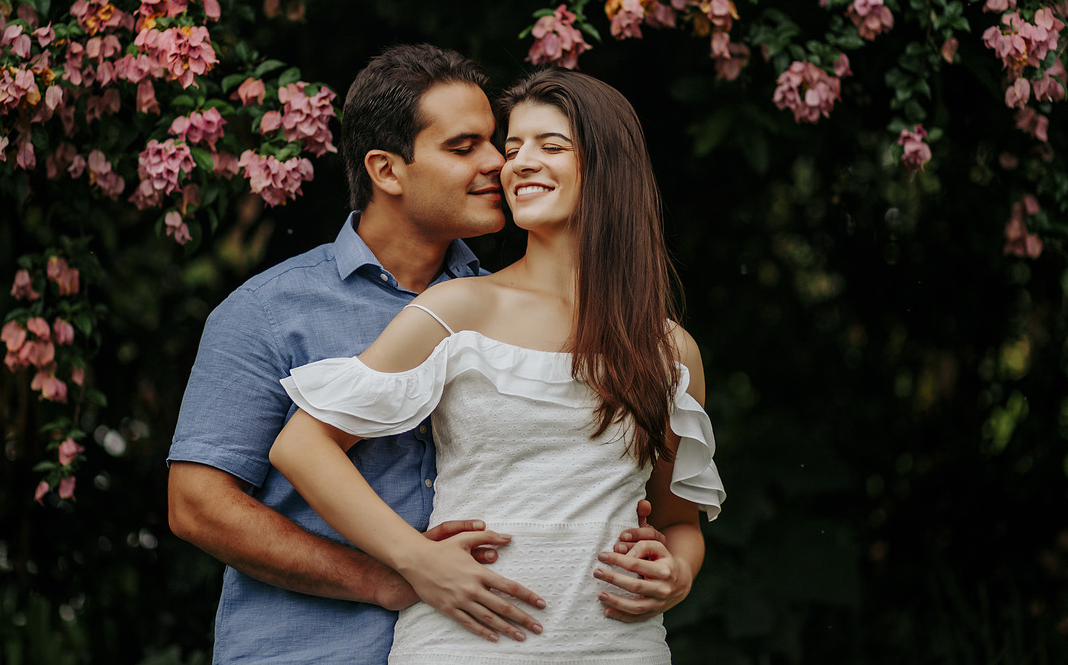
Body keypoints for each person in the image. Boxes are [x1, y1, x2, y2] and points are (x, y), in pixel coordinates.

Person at [167, 46, 664, 664]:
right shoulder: (272, 310)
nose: (497, 164)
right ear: (388, 170)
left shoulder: (501, 308)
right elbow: (196, 507)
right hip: (312, 647)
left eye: (497, 145)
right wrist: (389, 575)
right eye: (465, 147)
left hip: (487, 641)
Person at [270, 68, 727, 663]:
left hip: (618, 646)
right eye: (514, 149)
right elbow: (302, 446)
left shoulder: (669, 348)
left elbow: (678, 522)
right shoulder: (460, 308)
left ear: (608, 168)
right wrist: (418, 559)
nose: (518, 163)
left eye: (551, 146)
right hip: (466, 643)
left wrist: (680, 572)